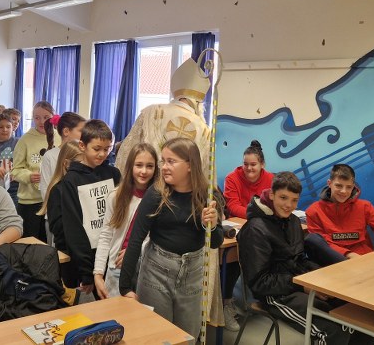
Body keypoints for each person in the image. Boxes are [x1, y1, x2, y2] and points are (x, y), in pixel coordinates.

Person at [119, 137, 222, 340]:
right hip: (156, 272)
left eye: (171, 161)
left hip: (192, 274)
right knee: (157, 336)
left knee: (186, 337)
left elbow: (216, 242)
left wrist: (211, 225)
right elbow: (136, 239)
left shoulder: (207, 195)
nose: (164, 167)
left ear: (190, 165)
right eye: (163, 161)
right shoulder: (156, 194)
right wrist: (125, 288)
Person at [237, 172, 352, 344]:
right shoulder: (255, 230)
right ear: (271, 194)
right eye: (283, 198)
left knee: (352, 314)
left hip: (296, 283)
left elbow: (299, 260)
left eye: (294, 200)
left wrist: (320, 278)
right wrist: (302, 285)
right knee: (332, 330)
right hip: (274, 295)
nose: (289, 205)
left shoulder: (293, 222)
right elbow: (259, 282)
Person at [116, 58, 212, 177]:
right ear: (199, 103)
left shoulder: (151, 111)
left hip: (146, 181)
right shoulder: (204, 130)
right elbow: (205, 172)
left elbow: (127, 152)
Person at [60, 119, 121, 294]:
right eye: (97, 149)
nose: (102, 154)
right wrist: (86, 271)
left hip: (114, 253)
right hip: (90, 257)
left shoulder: (113, 174)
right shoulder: (71, 180)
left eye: (107, 149)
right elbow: (74, 228)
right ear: (82, 146)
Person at [221, 139, 274, 329]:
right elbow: (232, 206)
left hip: (263, 229)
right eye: (245, 164)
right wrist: (257, 214)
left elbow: (274, 206)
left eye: (253, 164)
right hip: (240, 229)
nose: (249, 168)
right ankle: (226, 303)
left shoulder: (271, 179)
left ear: (262, 164)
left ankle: (270, 300)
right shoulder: (232, 178)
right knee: (233, 258)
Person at [93, 143, 158, 299]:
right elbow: (106, 235)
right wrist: (98, 273)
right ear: (130, 166)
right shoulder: (116, 196)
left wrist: (136, 250)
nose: (144, 171)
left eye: (149, 166)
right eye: (139, 165)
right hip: (117, 268)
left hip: (146, 270)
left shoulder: (159, 199)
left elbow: (157, 237)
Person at [306, 163, 374, 259]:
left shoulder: (364, 207)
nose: (344, 191)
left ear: (353, 186)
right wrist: (349, 254)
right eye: (339, 186)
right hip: (333, 263)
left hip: (365, 260)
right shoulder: (314, 211)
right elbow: (321, 245)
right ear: (329, 183)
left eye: (349, 187)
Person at [11, 101, 57, 242]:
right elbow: (16, 170)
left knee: (50, 240)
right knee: (31, 241)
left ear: (53, 116)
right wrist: (29, 176)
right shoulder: (25, 140)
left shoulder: (59, 136)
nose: (42, 121)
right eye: (37, 117)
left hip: (53, 199)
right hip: (31, 201)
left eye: (46, 117)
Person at [39, 140, 81, 253]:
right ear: (66, 163)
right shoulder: (57, 191)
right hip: (66, 248)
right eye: (79, 163)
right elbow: (59, 229)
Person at [39, 112, 86, 199]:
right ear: (66, 131)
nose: (85, 135)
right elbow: (45, 189)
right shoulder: (50, 156)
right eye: (81, 131)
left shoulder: (84, 154)